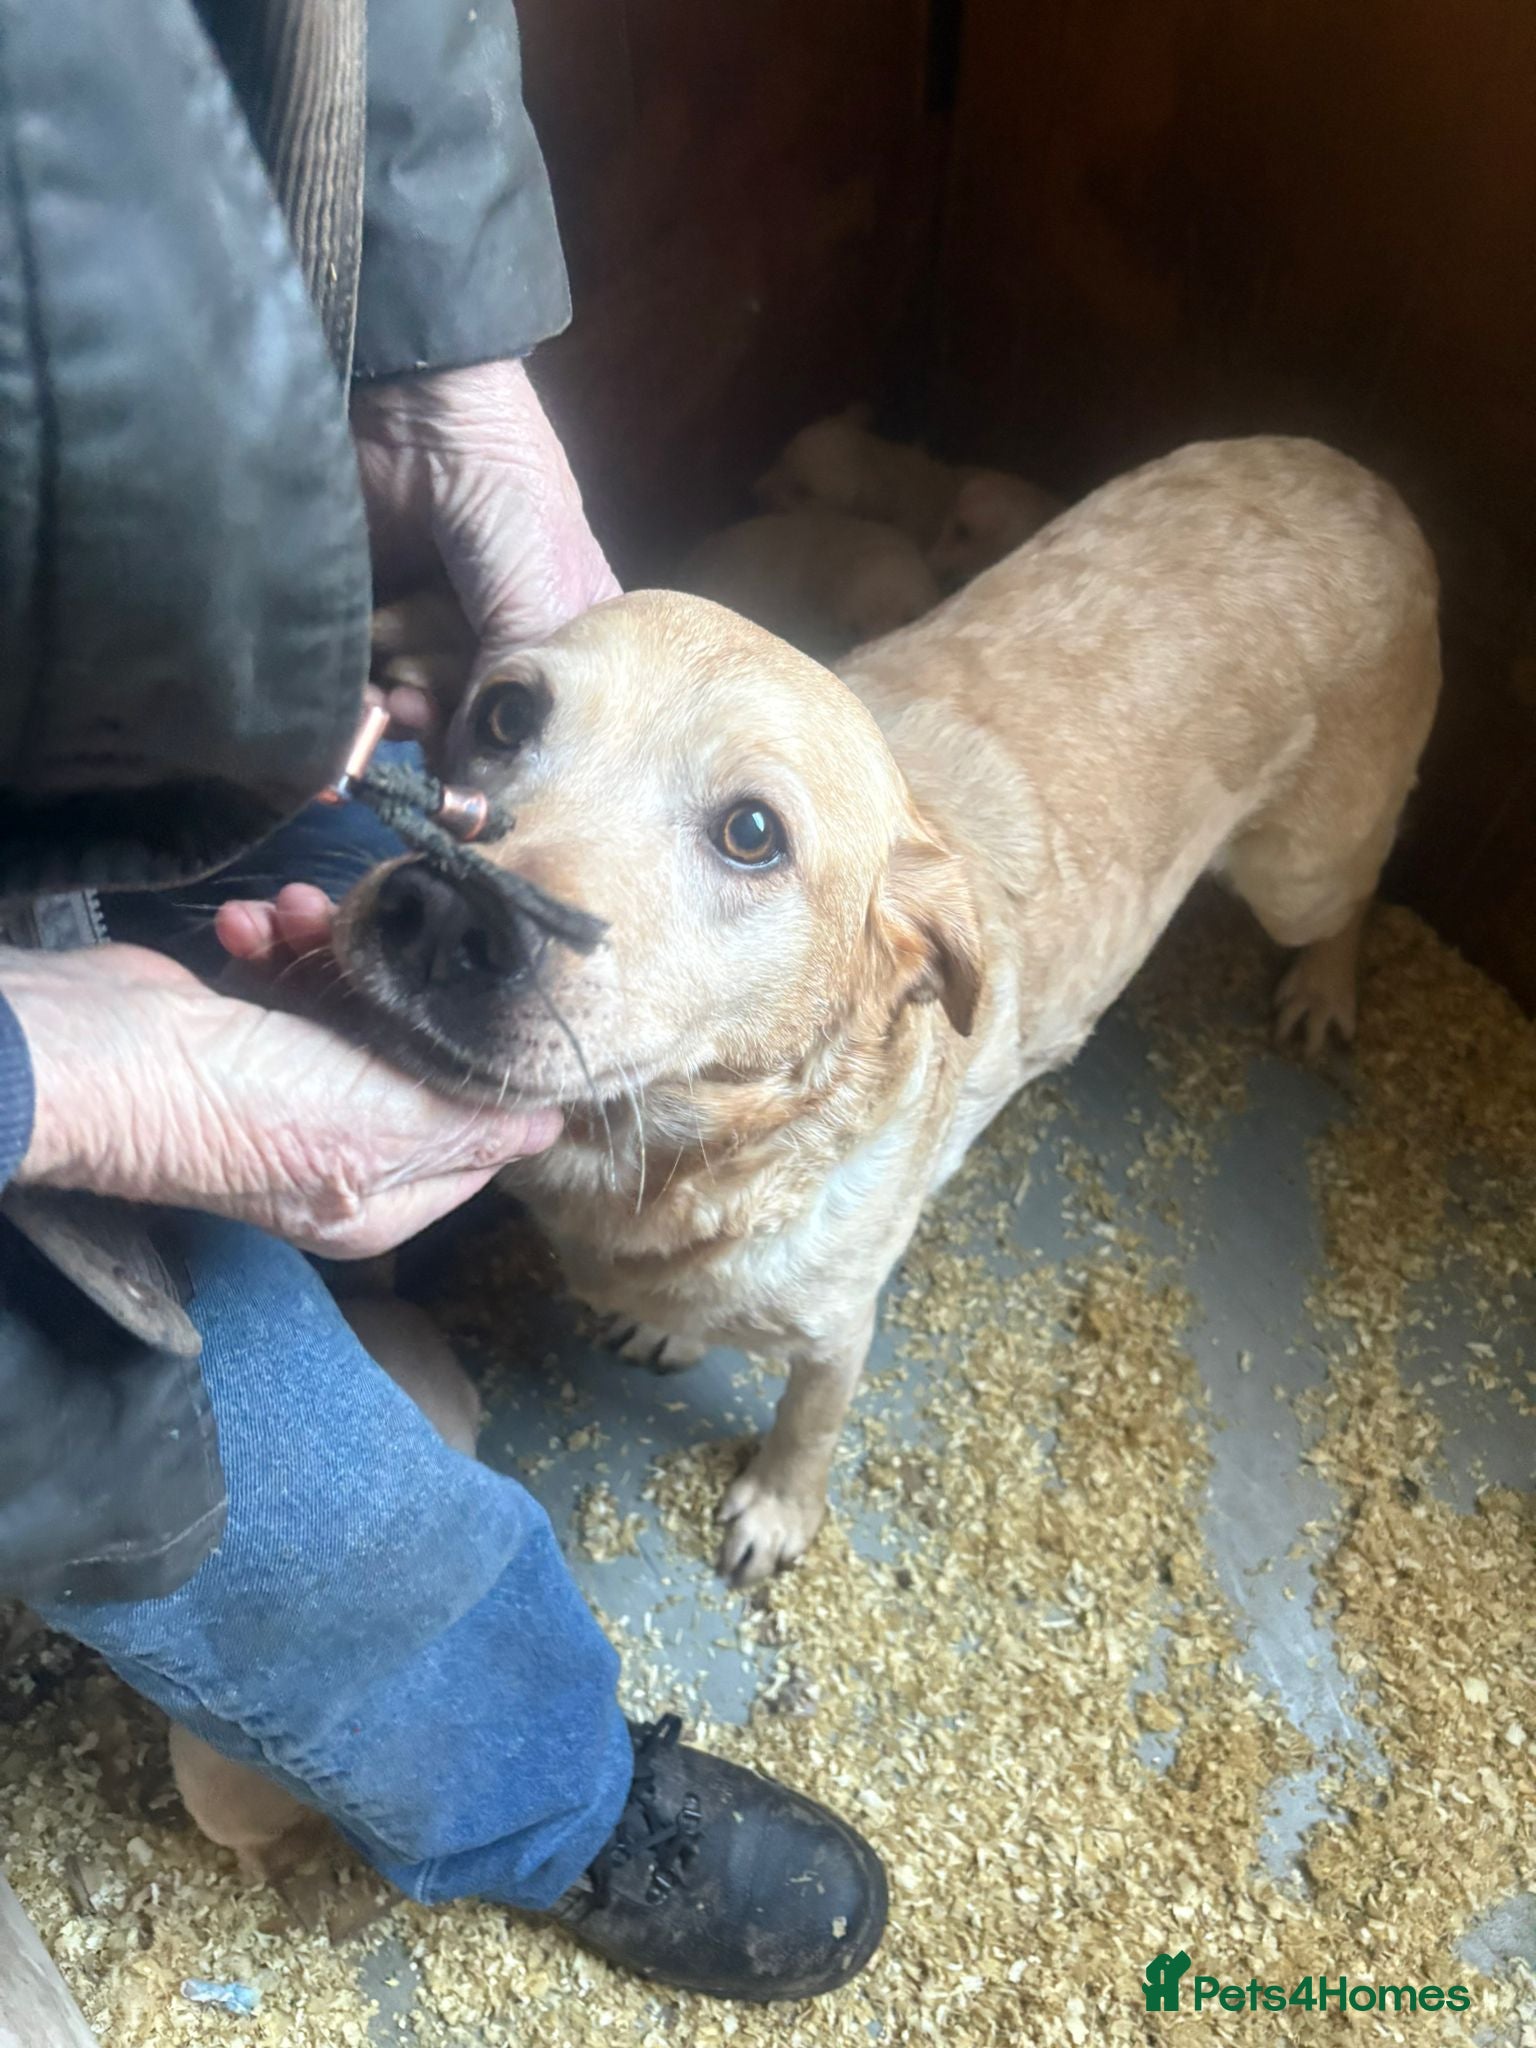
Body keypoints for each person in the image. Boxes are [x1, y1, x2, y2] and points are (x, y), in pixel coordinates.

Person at [0, 0, 886, 2003]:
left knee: (347, 915)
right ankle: (553, 1799)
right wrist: (73, 1081)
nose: (523, 878)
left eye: (740, 835)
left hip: (94, 604)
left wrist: (444, 372)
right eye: (516, 732)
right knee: (280, 1497)